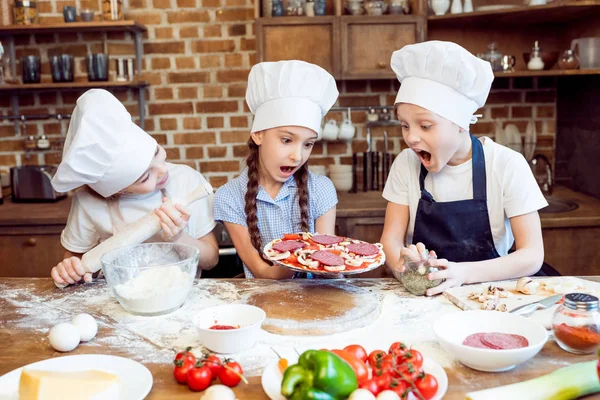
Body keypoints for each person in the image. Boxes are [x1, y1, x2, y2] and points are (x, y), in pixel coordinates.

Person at [380, 41, 548, 296]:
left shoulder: (506, 165)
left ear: (461, 124)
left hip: (488, 296)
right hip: (423, 295)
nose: (411, 137)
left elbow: (532, 256)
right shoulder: (406, 163)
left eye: (425, 126)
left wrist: (463, 273)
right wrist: (406, 269)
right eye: (405, 125)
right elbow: (390, 241)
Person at [50, 89, 219, 286]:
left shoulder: (186, 180)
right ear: (118, 190)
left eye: (156, 152)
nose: (163, 170)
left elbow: (212, 260)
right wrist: (70, 270)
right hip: (117, 299)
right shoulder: (88, 202)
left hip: (181, 298)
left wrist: (179, 237)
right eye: (146, 176)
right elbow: (76, 262)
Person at [214, 60, 339, 279]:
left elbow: (327, 272)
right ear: (258, 134)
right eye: (286, 139)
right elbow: (261, 271)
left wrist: (335, 264)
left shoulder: (321, 189)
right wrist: (298, 260)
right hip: (261, 305)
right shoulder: (229, 196)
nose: (297, 156)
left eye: (308, 144)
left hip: (318, 303)